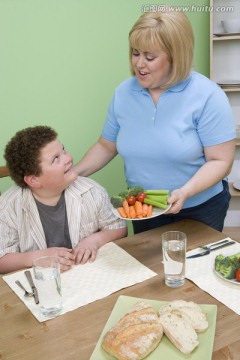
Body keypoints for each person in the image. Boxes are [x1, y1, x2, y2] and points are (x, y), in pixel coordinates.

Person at [74, 9, 236, 234]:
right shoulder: (123, 93)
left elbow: (221, 161)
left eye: (150, 57)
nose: (139, 64)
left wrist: (186, 191)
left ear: (175, 56)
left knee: (195, 267)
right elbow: (106, 146)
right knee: (151, 268)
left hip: (200, 209)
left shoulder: (207, 95)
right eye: (135, 53)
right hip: (146, 208)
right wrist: (74, 174)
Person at [0, 126, 127, 274]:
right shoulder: (7, 208)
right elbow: (2, 259)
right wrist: (36, 257)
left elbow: (119, 227)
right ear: (34, 180)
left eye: (64, 150)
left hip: (85, 275)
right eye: (56, 158)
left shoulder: (92, 191)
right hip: (41, 285)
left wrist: (94, 241)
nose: (68, 158)